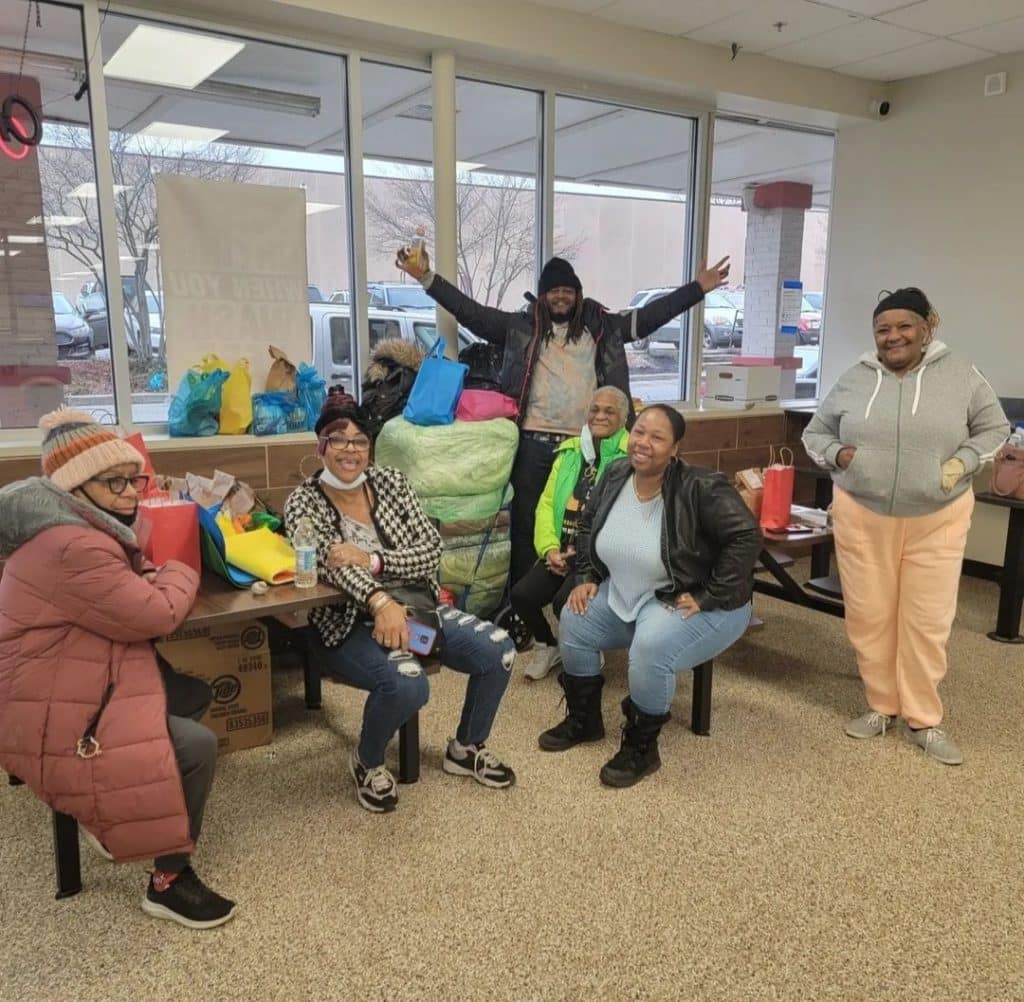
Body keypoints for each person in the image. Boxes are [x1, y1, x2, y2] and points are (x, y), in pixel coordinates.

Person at [0, 409, 235, 929]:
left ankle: (106, 810)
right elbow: (158, 614)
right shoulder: (72, 544)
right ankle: (168, 882)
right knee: (196, 748)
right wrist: (180, 568)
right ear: (74, 486)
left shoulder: (72, 524)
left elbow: (131, 585)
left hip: (71, 670)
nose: (131, 492)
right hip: (44, 702)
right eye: (115, 482)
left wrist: (149, 575)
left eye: (135, 479)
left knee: (190, 695)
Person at [396, 244, 731, 586]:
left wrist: (697, 288)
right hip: (532, 443)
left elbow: (650, 317)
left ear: (578, 294)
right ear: (542, 296)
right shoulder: (520, 328)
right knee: (528, 523)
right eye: (554, 291)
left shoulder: (602, 327)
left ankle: (580, 593)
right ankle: (525, 601)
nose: (561, 297)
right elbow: (471, 313)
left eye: (567, 291)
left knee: (589, 521)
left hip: (584, 445)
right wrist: (426, 276)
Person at [803, 288, 1008, 766]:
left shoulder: (962, 375)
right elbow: (816, 432)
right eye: (882, 329)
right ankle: (880, 706)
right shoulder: (855, 378)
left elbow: (994, 430)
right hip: (862, 511)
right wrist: (839, 455)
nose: (892, 336)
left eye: (903, 326)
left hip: (938, 515)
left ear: (926, 326)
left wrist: (961, 463)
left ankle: (923, 718)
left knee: (927, 618)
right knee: (869, 614)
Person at [285, 395, 517, 813]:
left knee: (498, 649)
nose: (350, 449)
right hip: (345, 622)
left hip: (416, 608)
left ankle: (466, 747)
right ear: (320, 444)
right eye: (337, 439)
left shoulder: (392, 482)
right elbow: (330, 563)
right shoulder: (304, 500)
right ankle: (367, 760)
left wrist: (373, 560)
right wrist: (378, 600)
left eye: (359, 440)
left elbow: (430, 549)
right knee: (408, 684)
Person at [538, 404, 761, 788]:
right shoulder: (616, 473)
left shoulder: (701, 486)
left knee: (651, 647)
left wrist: (709, 594)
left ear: (675, 448)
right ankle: (584, 721)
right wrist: (588, 574)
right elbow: (589, 524)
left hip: (690, 599)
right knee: (574, 618)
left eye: (658, 437)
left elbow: (747, 537)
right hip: (628, 592)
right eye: (639, 432)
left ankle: (641, 748)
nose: (644, 443)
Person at [511, 385, 629, 680]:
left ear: (624, 419)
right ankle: (548, 646)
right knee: (521, 595)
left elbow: (624, 519)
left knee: (566, 602)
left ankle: (584, 644)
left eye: (609, 411)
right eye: (595, 409)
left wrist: (587, 557)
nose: (599, 416)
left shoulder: (630, 457)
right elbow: (547, 504)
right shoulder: (569, 452)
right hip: (562, 550)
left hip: (596, 559)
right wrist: (549, 549)